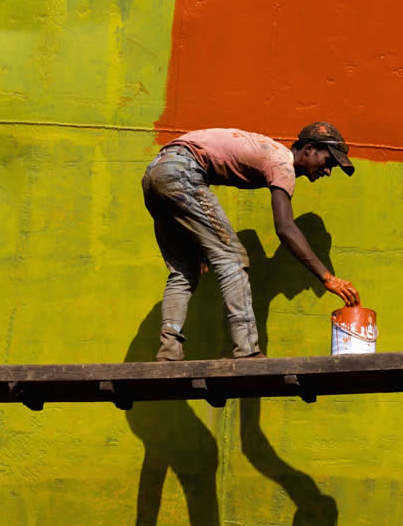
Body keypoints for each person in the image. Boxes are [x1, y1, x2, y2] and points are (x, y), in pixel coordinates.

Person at [141, 122, 361, 361]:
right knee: (233, 259)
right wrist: (327, 278)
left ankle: (169, 351)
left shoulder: (270, 153)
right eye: (328, 162)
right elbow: (285, 228)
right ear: (309, 149)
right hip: (183, 171)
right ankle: (246, 350)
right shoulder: (282, 163)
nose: (328, 171)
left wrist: (200, 240)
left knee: (184, 269)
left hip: (156, 172)